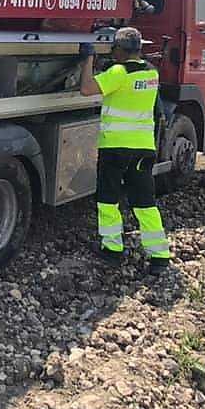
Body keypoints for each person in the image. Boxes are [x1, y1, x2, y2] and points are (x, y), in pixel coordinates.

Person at [79, 27, 171, 275]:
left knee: (108, 199)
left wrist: (87, 59)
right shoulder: (152, 73)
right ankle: (159, 256)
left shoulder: (118, 73)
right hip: (143, 148)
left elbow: (86, 89)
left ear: (118, 50)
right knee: (144, 202)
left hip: (115, 148)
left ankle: (113, 250)